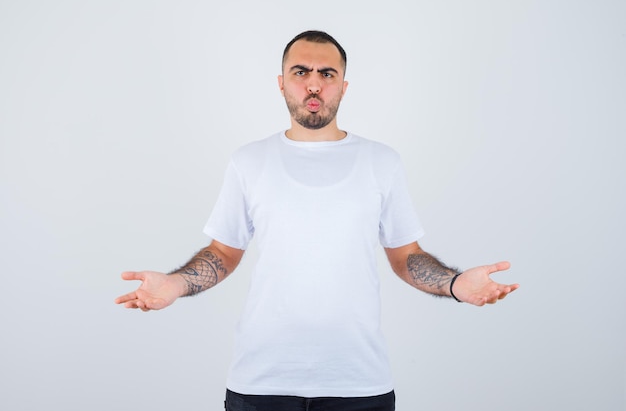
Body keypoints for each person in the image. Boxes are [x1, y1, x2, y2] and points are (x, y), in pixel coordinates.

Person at [115, 30, 519, 411]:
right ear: (281, 82)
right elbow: (223, 251)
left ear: (343, 86)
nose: (313, 84)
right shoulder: (249, 161)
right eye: (301, 72)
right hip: (261, 384)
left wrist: (454, 283)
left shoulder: (382, 162)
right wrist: (174, 284)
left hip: (359, 384)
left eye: (327, 74)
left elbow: (405, 255)